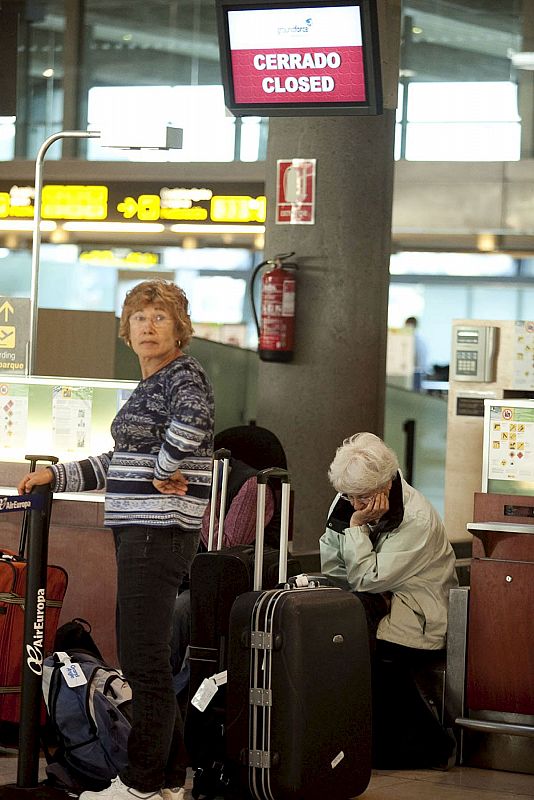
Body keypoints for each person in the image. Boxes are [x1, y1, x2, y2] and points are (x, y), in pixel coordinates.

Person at [17, 279, 215, 800]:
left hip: (157, 532)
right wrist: (56, 477)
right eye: (139, 319)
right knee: (148, 658)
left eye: (160, 318)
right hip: (141, 530)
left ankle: (142, 784)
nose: (148, 328)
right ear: (126, 331)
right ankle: (170, 780)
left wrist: (167, 467)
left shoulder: (182, 373)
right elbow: (117, 462)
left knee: (143, 659)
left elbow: (192, 424)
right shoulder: (150, 388)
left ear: (180, 330)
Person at [320, 432, 458, 768]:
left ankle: (420, 744)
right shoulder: (348, 498)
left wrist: (356, 528)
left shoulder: (416, 518)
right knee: (338, 636)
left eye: (362, 497)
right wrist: (355, 523)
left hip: (420, 615)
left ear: (385, 486)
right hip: (377, 604)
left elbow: (366, 578)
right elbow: (334, 568)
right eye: (348, 496)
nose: (353, 504)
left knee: (361, 646)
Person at [405, 316, 428, 391]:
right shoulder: (419, 340)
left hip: (416, 373)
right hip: (414, 372)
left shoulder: (417, 341)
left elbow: (420, 361)